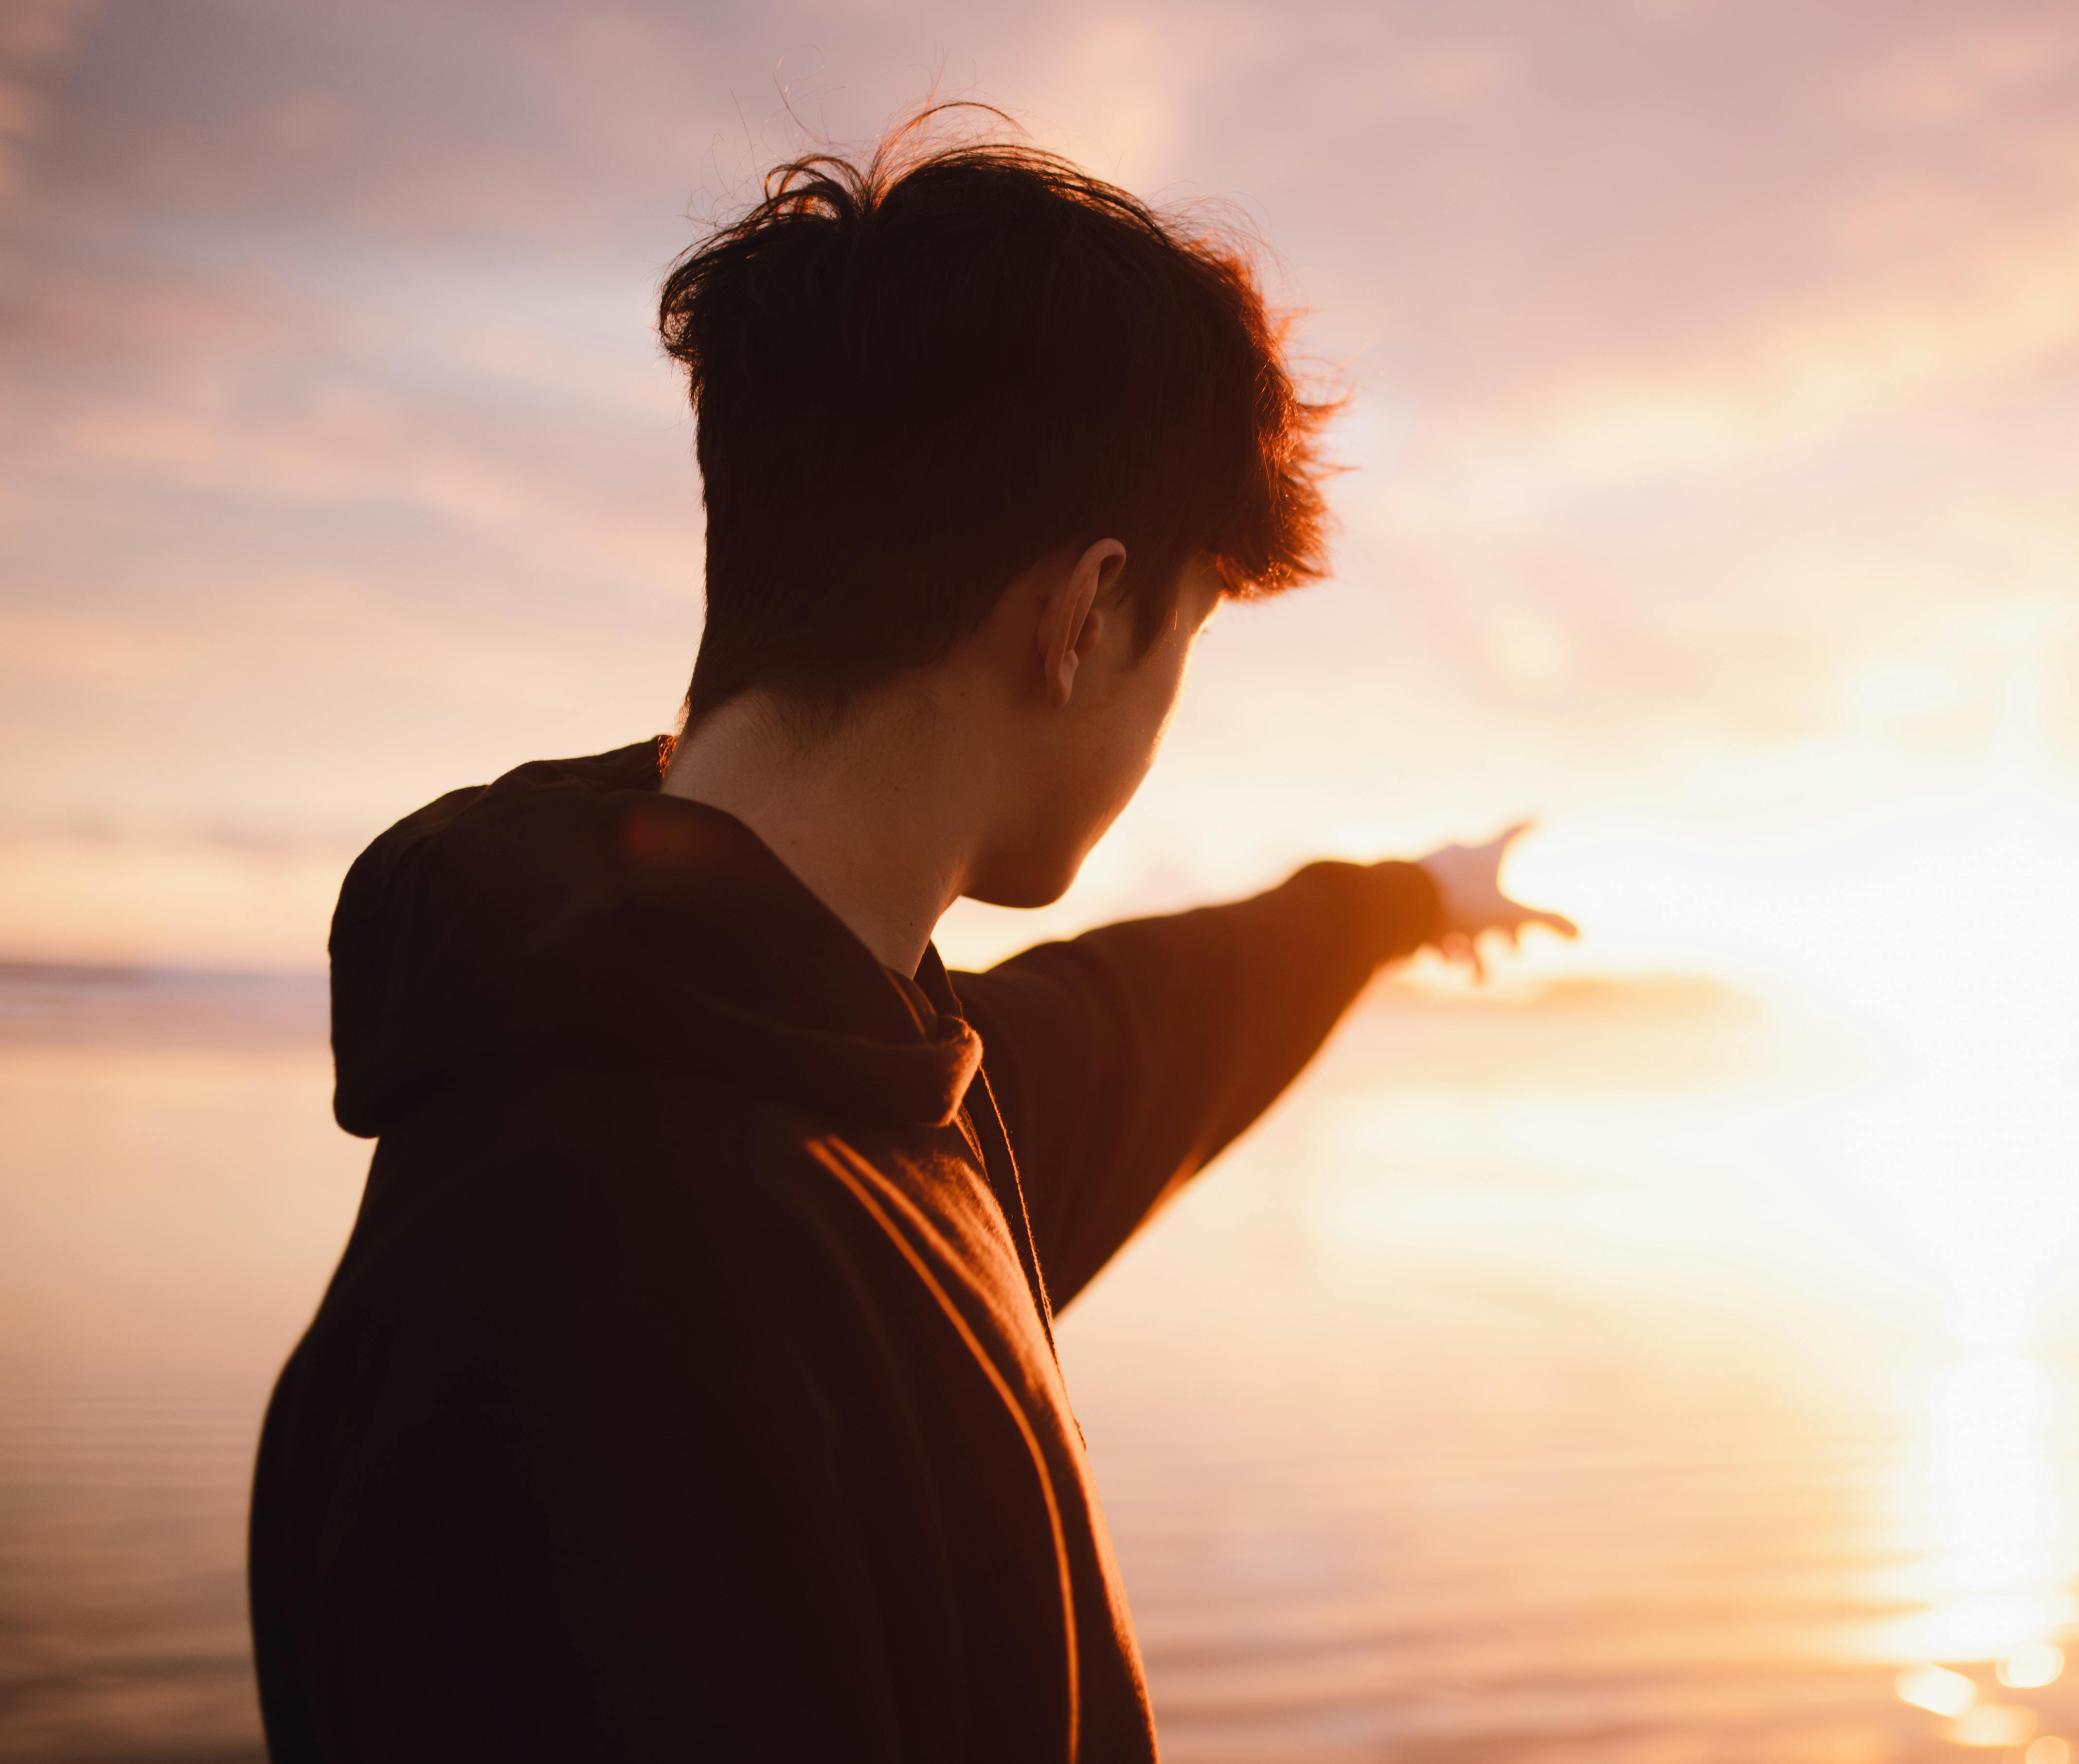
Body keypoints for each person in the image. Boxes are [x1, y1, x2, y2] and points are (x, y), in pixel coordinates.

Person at [246, 120, 1571, 1763]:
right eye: (1183, 645)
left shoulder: (856, 1066)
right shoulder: (584, 1292)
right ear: (1084, 617)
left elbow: (1154, 1024)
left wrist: (1404, 902)